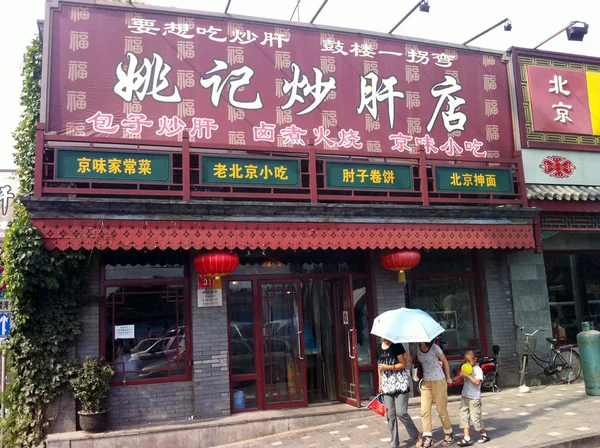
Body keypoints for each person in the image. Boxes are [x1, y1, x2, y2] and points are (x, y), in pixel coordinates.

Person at [378, 338, 422, 448]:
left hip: (400, 383)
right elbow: (379, 368)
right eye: (383, 336)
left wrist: (387, 367)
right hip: (387, 385)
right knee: (390, 415)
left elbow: (403, 364)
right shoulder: (378, 348)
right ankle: (394, 442)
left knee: (401, 412)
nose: (386, 339)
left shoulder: (397, 346)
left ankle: (416, 435)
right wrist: (380, 384)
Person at [409, 340, 454, 448]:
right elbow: (414, 361)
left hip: (439, 381)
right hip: (426, 383)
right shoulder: (417, 348)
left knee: (441, 410)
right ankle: (428, 438)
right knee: (424, 411)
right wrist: (407, 357)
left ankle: (449, 434)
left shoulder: (435, 348)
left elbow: (445, 361)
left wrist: (448, 377)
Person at [453, 350, 490, 446]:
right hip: (465, 396)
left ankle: (484, 435)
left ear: (475, 359)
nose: (467, 363)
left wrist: (468, 376)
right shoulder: (465, 369)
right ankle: (467, 438)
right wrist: (450, 380)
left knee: (475, 418)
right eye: (465, 361)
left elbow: (477, 382)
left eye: (469, 361)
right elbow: (459, 377)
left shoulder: (478, 370)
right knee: (464, 416)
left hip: (474, 398)